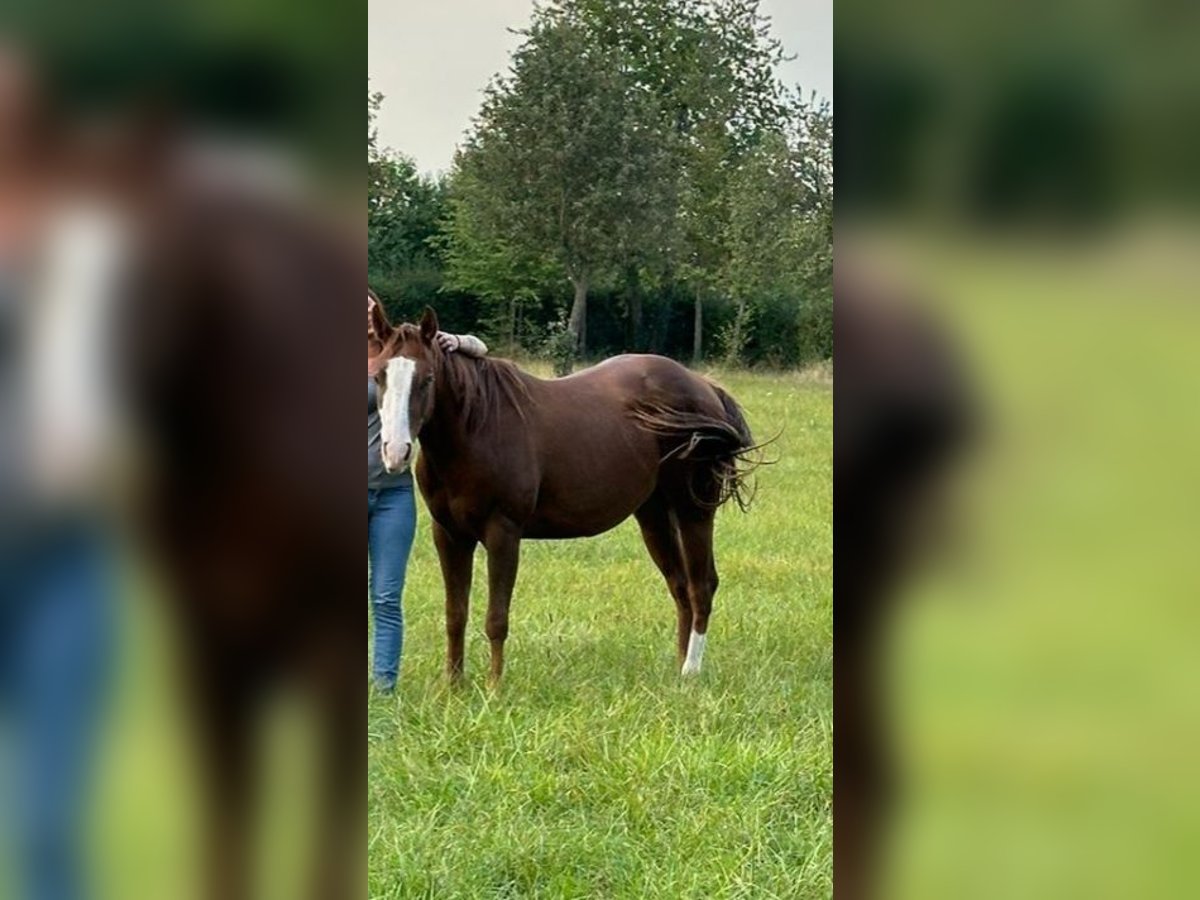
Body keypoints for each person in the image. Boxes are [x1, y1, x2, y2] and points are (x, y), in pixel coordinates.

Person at [367, 292, 486, 693]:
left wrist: (462, 341)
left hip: (392, 495)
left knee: (386, 595)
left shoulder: (404, 352)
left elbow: (473, 348)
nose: (363, 316)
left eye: (368, 307)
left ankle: (384, 684)